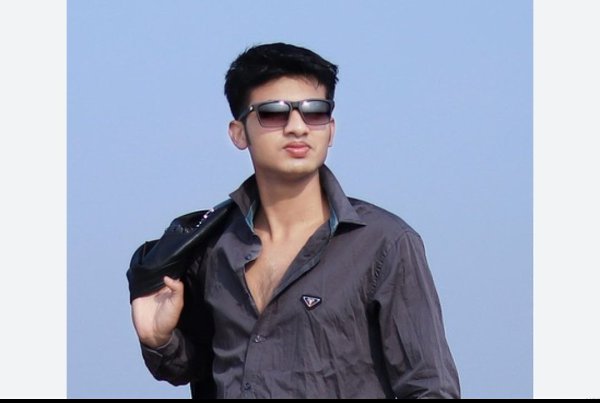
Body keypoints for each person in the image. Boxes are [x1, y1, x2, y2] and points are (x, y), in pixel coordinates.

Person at [130, 42, 460, 399]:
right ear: (238, 132)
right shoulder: (212, 248)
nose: (297, 127)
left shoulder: (384, 243)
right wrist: (158, 338)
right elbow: (197, 367)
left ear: (331, 129)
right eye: (273, 113)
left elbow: (430, 387)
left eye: (315, 112)